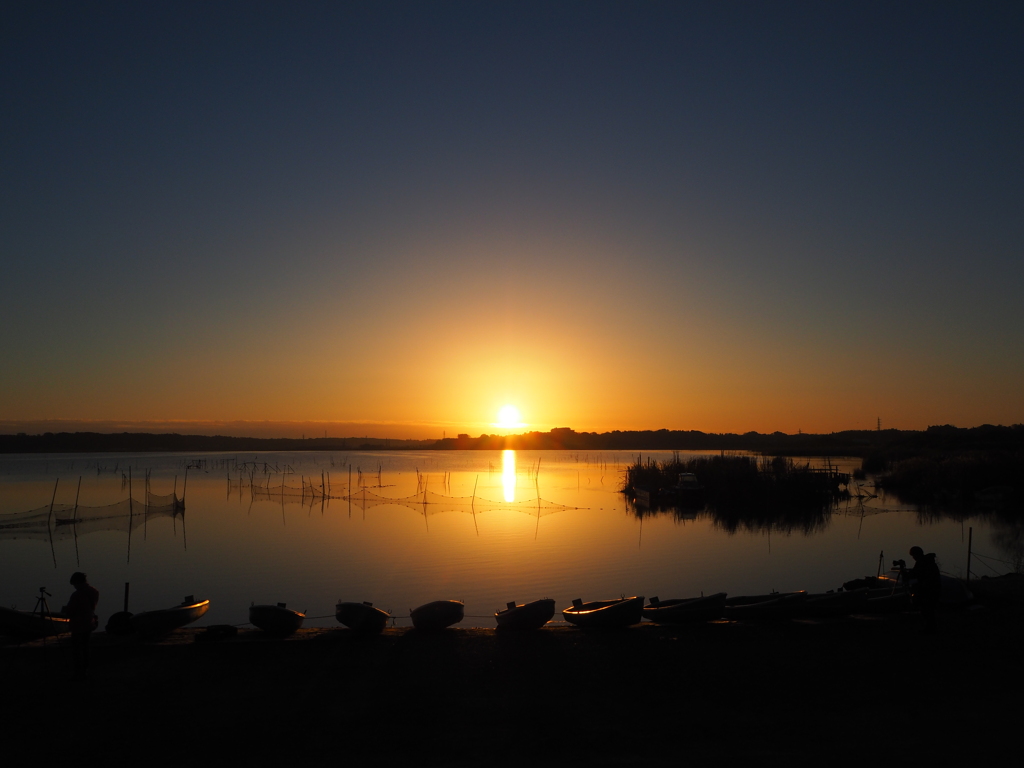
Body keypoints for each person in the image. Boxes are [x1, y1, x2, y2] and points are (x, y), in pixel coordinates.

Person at [63, 572, 99, 674]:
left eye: (74, 584)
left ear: (78, 582)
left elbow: (70, 611)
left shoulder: (77, 595)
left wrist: (67, 611)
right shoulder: (94, 591)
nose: (74, 587)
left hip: (78, 625)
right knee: (86, 646)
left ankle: (78, 670)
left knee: (77, 649)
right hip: (89, 622)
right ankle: (86, 668)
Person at [907, 546, 941, 632]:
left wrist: (907, 574)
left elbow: (916, 574)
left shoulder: (922, 562)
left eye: (913, 555)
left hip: (927, 590)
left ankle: (930, 628)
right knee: (929, 610)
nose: (913, 558)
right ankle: (931, 627)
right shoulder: (928, 562)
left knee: (927, 609)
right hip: (932, 589)